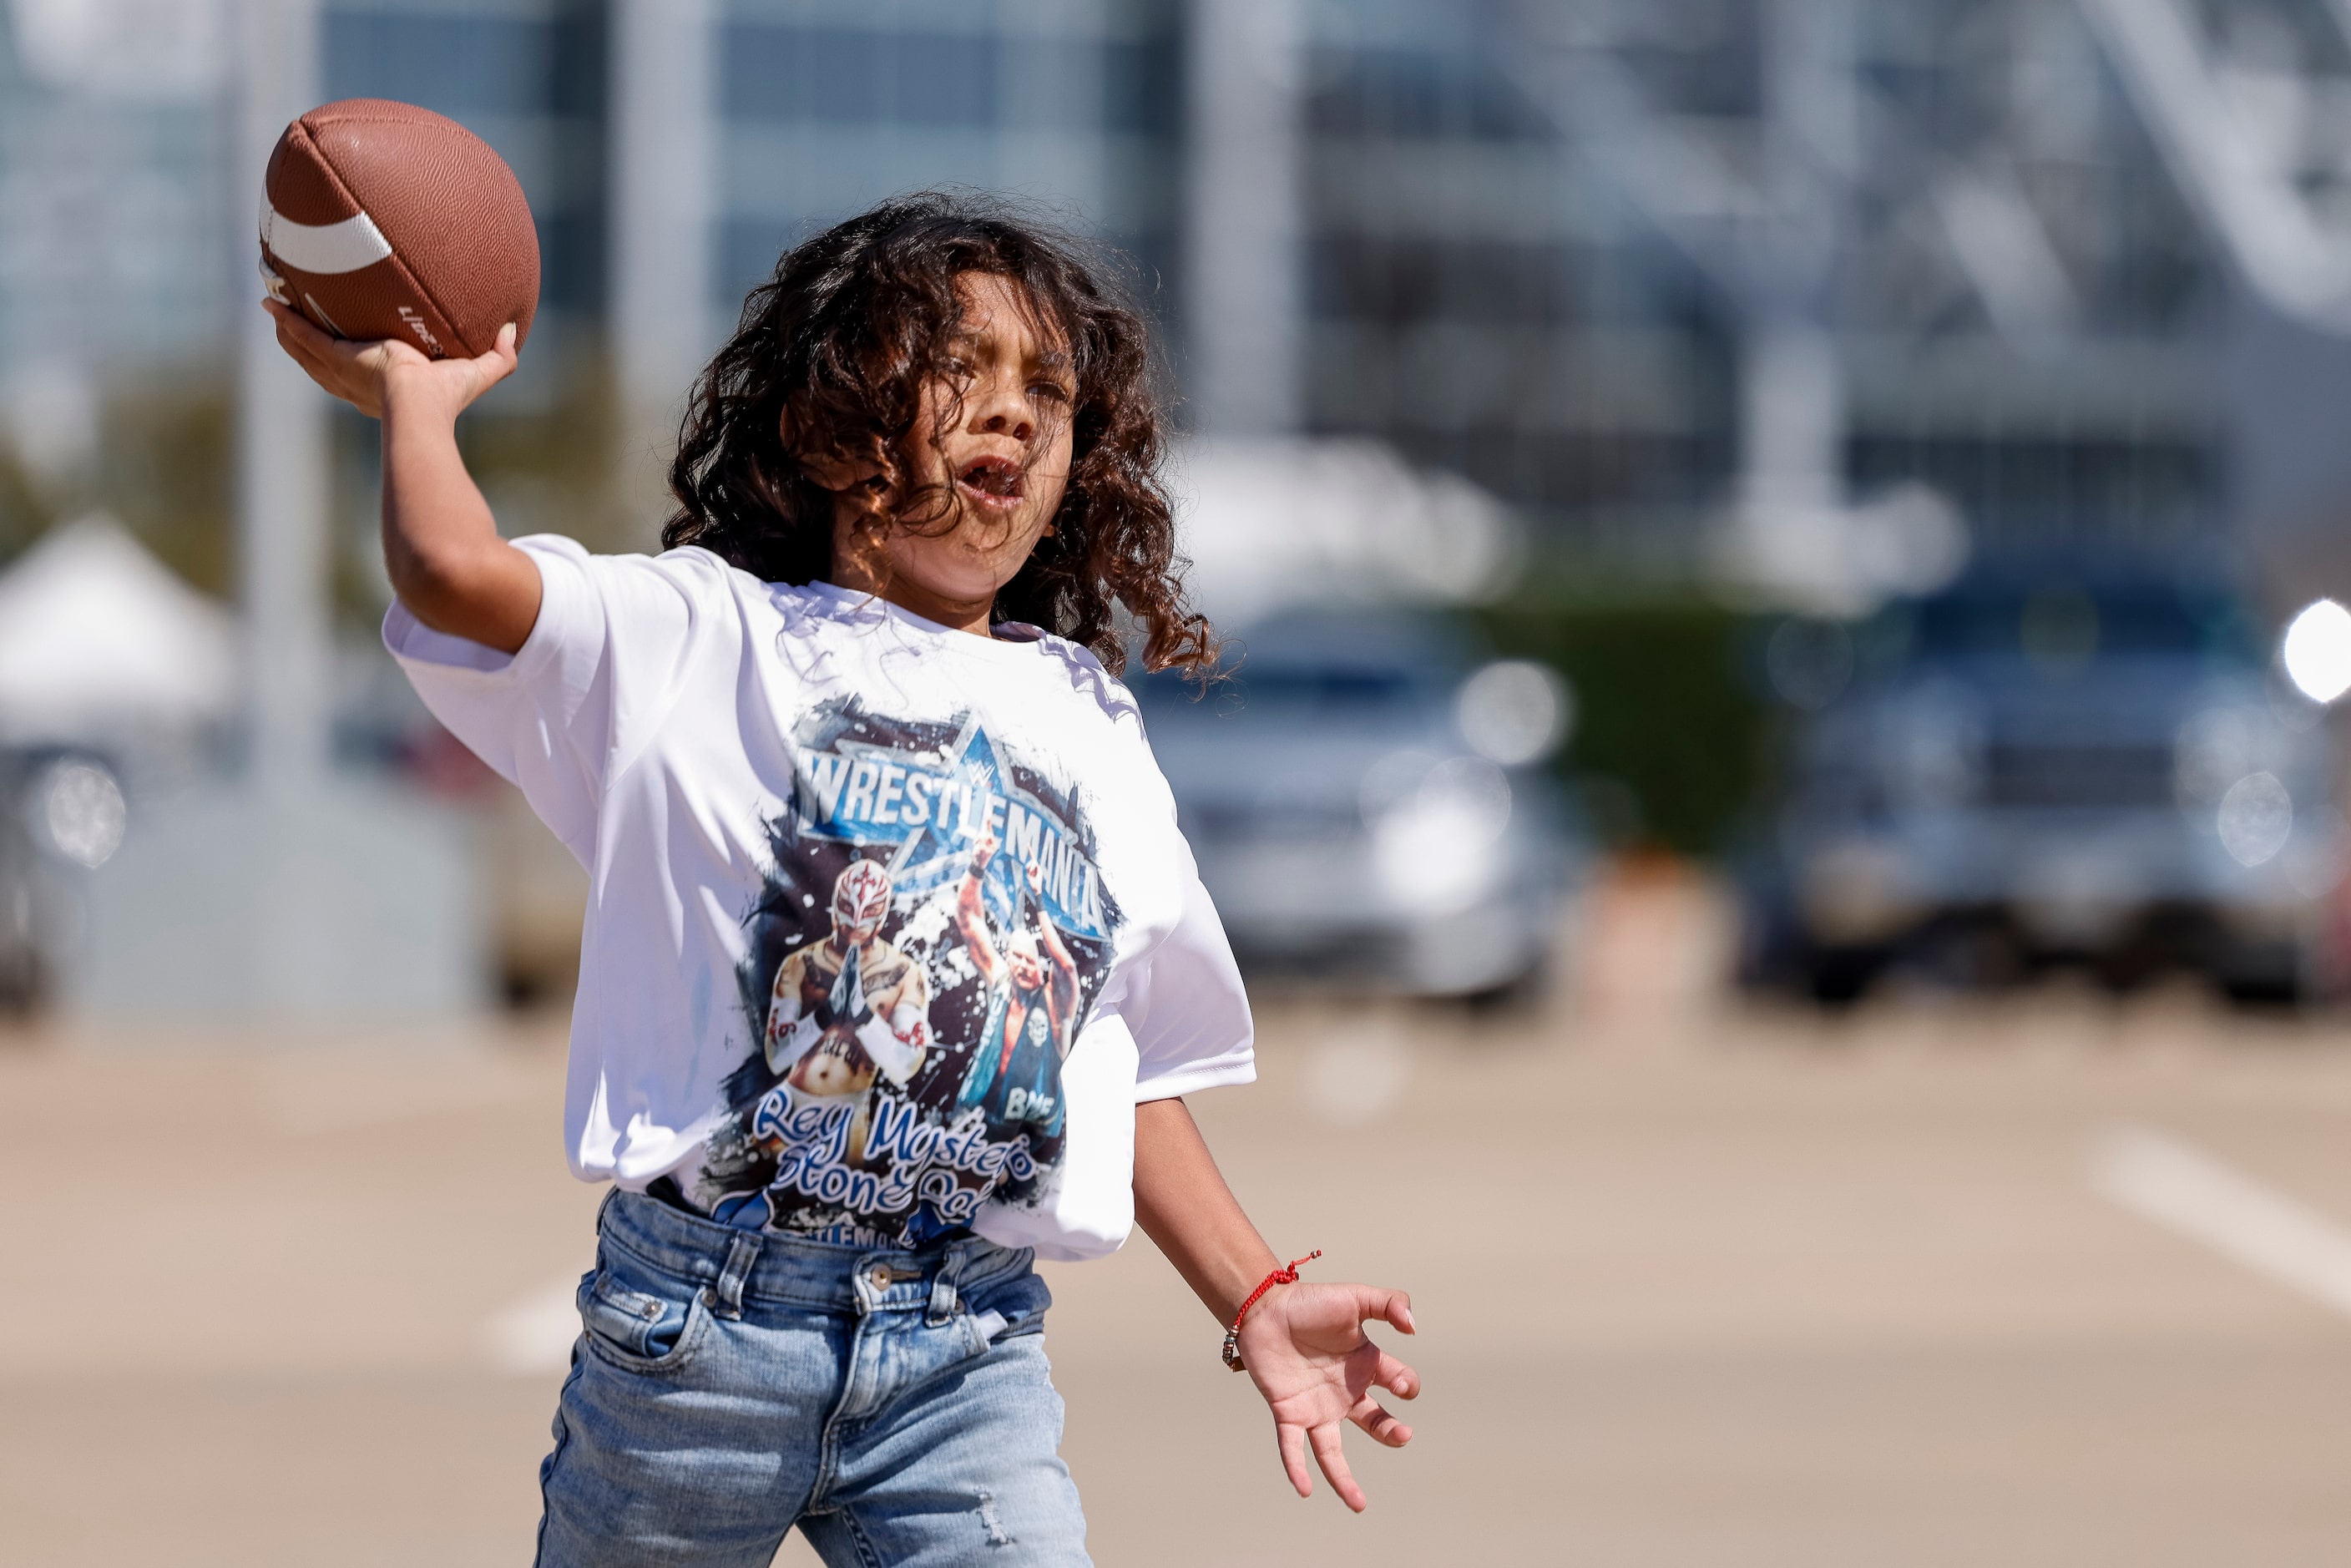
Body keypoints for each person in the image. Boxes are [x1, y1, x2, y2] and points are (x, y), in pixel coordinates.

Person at [265, 192, 1418, 1567]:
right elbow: (452, 573)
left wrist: (1256, 1290)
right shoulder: (698, 636)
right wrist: (416, 400)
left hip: (964, 1356)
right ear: (826, 429)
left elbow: (1108, 1054)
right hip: (698, 1345)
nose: (1014, 410)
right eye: (960, 367)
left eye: (1047, 386)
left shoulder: (1085, 718)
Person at [953, 832, 1079, 1138]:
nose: (1023, 965)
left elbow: (1066, 966)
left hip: (1030, 1138)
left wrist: (1039, 899)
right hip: (977, 1115)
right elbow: (969, 919)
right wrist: (979, 863)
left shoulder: (1054, 1002)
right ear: (1007, 960)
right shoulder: (1001, 981)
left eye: (1030, 959)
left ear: (1040, 964)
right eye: (1017, 958)